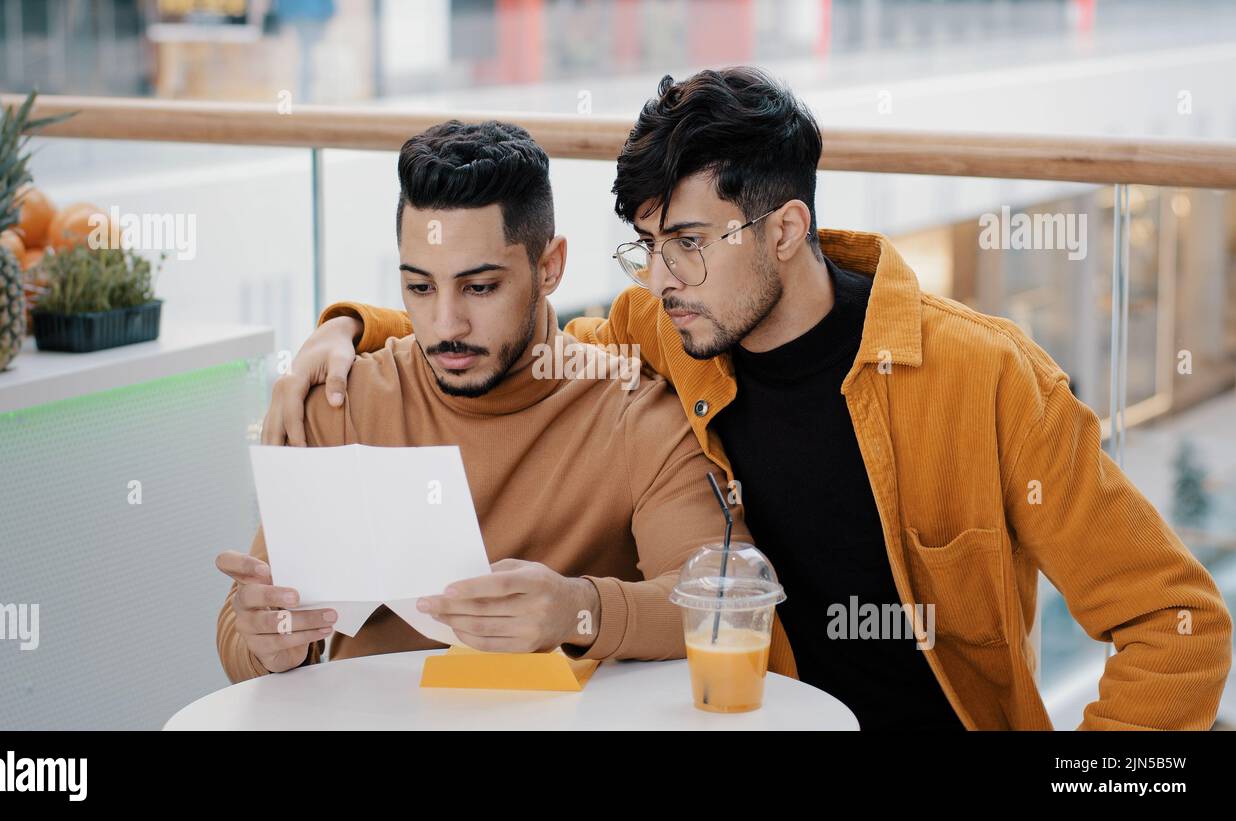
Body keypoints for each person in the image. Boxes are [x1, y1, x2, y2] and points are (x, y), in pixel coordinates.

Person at [266, 68, 1232, 729]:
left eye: (687, 242)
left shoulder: (987, 381)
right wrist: (345, 328)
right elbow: (503, 332)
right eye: (647, 245)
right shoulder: (668, 337)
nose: (658, 277)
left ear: (785, 230)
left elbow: (1175, 621)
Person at [215, 119, 756, 683]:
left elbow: (725, 603)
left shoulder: (634, 416)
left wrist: (581, 609)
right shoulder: (338, 401)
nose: (446, 324)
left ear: (550, 267)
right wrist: (266, 640)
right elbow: (243, 631)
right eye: (420, 288)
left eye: (480, 287)